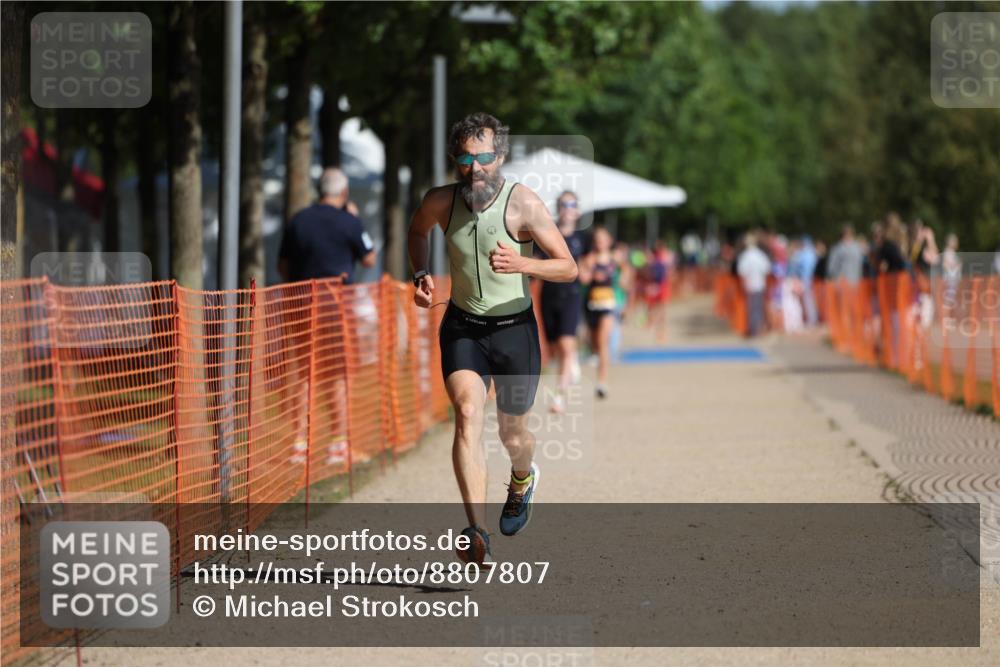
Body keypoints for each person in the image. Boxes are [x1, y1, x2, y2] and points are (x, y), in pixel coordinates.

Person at [407, 112, 577, 565]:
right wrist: (421, 274)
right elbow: (416, 230)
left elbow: (568, 266)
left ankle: (522, 478)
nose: (474, 166)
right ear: (455, 159)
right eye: (464, 157)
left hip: (514, 330)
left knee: (511, 431)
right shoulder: (441, 201)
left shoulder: (524, 205)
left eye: (483, 157)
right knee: (466, 414)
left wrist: (525, 265)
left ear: (499, 156)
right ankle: (476, 531)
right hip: (463, 326)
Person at [277, 167, 376, 283]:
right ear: (344, 191)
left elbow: (282, 265)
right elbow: (370, 259)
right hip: (339, 298)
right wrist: (357, 220)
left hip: (304, 298)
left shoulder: (297, 219)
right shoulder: (351, 221)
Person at [537, 191, 587, 414]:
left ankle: (560, 397)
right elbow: (535, 263)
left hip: (572, 296)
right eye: (564, 204)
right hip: (549, 295)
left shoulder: (584, 238)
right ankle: (570, 361)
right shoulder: (548, 234)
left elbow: (587, 268)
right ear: (558, 208)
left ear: (577, 210)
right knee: (555, 348)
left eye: (572, 204)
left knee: (566, 345)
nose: (568, 208)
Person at [579, 227, 619, 399]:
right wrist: (589, 271)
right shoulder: (590, 259)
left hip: (607, 304)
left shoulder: (615, 259)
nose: (600, 242)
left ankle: (602, 382)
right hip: (591, 304)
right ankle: (596, 364)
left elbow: (626, 278)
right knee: (594, 343)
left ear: (609, 240)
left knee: (603, 343)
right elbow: (583, 279)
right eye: (597, 239)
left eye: (603, 238)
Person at [737, 232, 772, 337]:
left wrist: (743, 285)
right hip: (760, 284)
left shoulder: (745, 256)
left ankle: (754, 329)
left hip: (750, 285)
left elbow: (742, 272)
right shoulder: (760, 255)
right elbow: (767, 270)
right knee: (758, 308)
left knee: (752, 308)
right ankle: (758, 328)